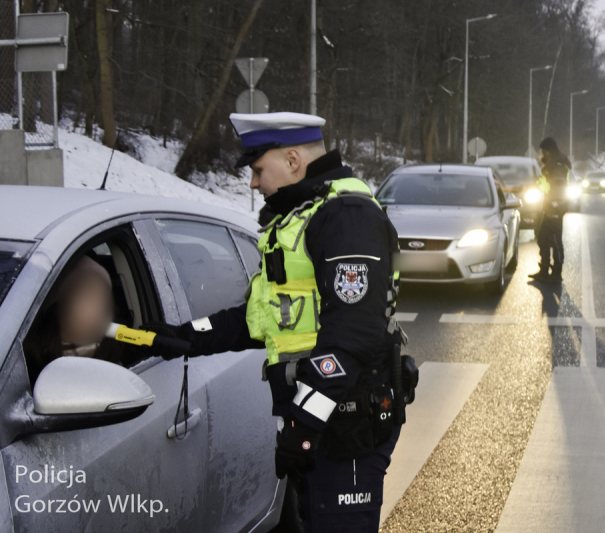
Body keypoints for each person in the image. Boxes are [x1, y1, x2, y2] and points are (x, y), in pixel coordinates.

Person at [149, 112, 414, 533]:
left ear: (292, 160)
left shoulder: (346, 216)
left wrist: (304, 425)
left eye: (258, 170)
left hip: (348, 422)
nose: (254, 184)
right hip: (324, 417)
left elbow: (354, 336)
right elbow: (266, 317)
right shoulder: (305, 214)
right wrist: (187, 336)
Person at [23, 255, 118, 382]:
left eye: (104, 300)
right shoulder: (28, 356)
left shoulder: (112, 351)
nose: (99, 309)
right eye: (88, 297)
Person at [529, 137, 571, 284]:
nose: (541, 153)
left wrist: (555, 204)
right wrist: (538, 182)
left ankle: (556, 273)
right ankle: (544, 270)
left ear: (548, 151)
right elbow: (547, 185)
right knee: (543, 238)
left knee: (555, 240)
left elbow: (557, 187)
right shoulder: (552, 164)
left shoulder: (556, 165)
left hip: (555, 207)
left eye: (542, 151)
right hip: (550, 206)